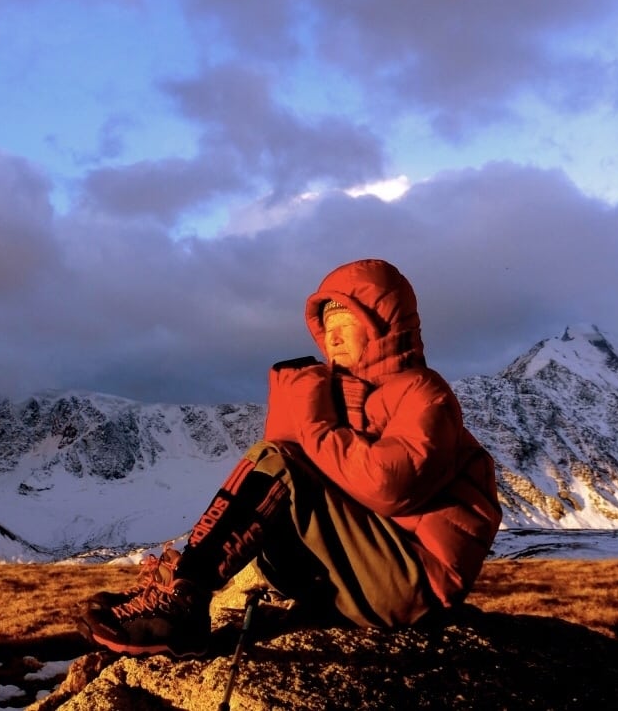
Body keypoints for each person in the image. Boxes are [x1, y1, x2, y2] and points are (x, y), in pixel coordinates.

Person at [80, 258, 502, 657]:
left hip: (414, 580)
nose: (331, 337)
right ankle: (180, 590)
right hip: (353, 574)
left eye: (347, 324)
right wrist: (300, 402)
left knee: (277, 462)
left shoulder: (423, 393)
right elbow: (276, 484)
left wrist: (315, 423)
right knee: (274, 470)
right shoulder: (343, 394)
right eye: (327, 326)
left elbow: (390, 488)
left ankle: (184, 600)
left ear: (384, 327)